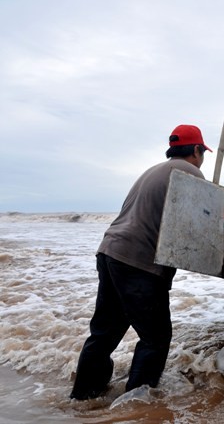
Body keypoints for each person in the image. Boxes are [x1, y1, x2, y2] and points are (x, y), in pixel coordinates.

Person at [70, 124, 212, 400]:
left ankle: (84, 396)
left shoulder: (153, 171)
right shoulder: (189, 171)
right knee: (156, 338)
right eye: (202, 152)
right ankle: (136, 404)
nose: (202, 157)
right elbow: (203, 220)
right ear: (196, 150)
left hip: (110, 251)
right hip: (138, 263)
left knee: (104, 334)